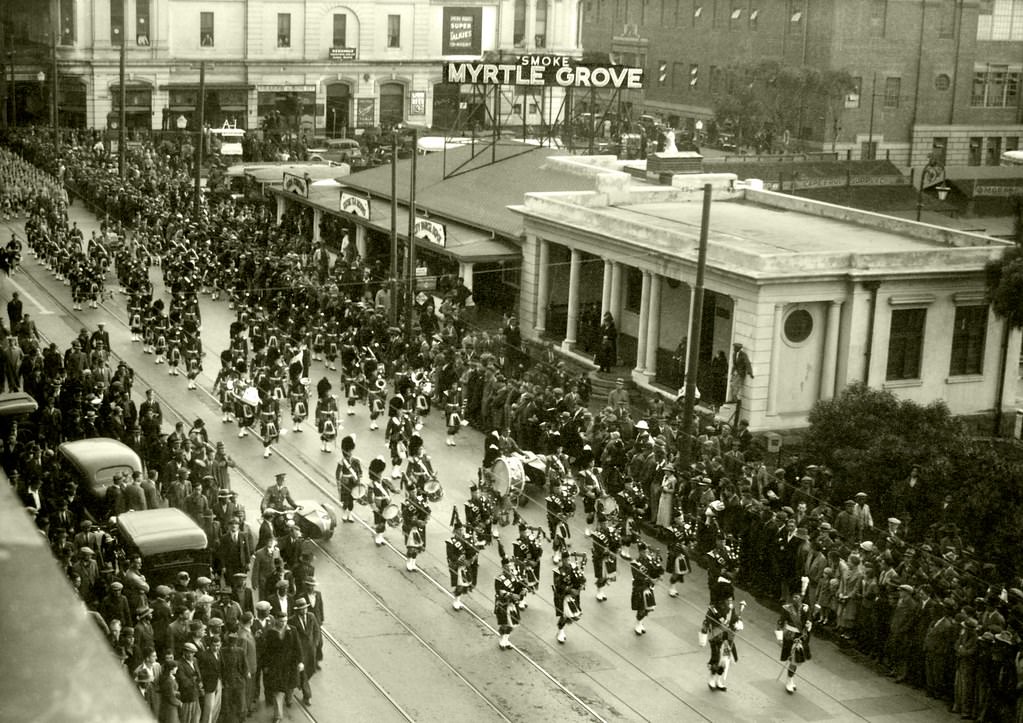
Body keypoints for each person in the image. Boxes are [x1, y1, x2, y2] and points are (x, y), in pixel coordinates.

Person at [259, 610, 302, 723]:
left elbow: (298, 647)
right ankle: (278, 716)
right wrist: (266, 665)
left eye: (285, 621)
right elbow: (266, 651)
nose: (283, 623)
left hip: (290, 666)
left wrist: (300, 662)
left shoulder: (292, 630)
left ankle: (289, 698)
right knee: (277, 690)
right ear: (276, 620)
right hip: (276, 666)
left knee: (289, 687)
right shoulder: (270, 633)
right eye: (280, 621)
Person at [700, 590, 745, 691]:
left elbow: (734, 618)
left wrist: (738, 623)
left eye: (731, 599)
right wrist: (703, 636)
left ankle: (719, 680)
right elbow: (706, 622)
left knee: (725, 660)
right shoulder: (713, 609)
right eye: (728, 599)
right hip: (716, 636)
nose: (730, 601)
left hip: (727, 637)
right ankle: (711, 679)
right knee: (716, 658)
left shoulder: (731, 607)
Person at [776, 591, 813, 694]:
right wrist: (779, 638)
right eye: (794, 597)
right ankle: (789, 680)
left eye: (798, 597)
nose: (796, 599)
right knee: (792, 659)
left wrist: (809, 625)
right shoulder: (787, 608)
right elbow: (780, 623)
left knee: (796, 660)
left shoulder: (806, 609)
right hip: (789, 635)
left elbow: (809, 623)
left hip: (799, 637)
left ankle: (790, 679)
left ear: (802, 598)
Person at [552, 554, 586, 644]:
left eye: (568, 558)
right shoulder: (558, 571)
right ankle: (560, 631)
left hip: (572, 595)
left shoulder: (573, 568)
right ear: (562, 560)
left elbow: (580, 579)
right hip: (562, 596)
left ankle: (561, 629)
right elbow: (558, 586)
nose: (568, 560)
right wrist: (570, 590)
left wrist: (582, 583)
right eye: (566, 559)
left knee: (572, 615)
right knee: (564, 615)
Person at [630, 542, 662, 635]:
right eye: (644, 552)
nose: (646, 554)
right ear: (640, 552)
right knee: (642, 607)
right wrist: (651, 580)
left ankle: (641, 622)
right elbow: (638, 576)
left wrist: (657, 572)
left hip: (649, 587)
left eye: (646, 552)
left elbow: (654, 571)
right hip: (640, 587)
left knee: (648, 607)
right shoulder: (635, 563)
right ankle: (638, 624)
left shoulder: (649, 560)